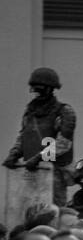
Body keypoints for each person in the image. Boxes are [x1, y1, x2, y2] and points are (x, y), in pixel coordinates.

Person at [4, 68, 76, 206]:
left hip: (54, 172)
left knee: (53, 210)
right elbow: (24, 135)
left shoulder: (64, 111)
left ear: (50, 89)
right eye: (35, 88)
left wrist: (39, 157)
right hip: (31, 171)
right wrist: (14, 153)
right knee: (28, 208)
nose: (37, 92)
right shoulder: (30, 111)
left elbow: (64, 143)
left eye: (41, 89)